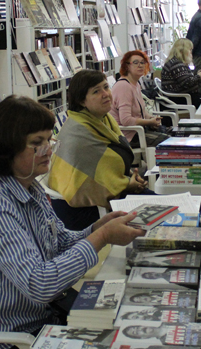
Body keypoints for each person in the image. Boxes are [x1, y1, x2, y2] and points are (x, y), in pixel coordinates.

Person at [0, 95, 145, 349]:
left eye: (48, 139)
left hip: (35, 319)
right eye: (36, 143)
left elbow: (60, 241)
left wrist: (97, 227)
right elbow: (40, 284)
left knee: (122, 325)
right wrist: (101, 237)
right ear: (7, 148)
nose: (48, 149)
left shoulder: (28, 188)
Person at [47, 70, 150, 231]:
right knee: (167, 211)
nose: (106, 94)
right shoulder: (79, 133)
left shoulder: (103, 119)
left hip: (112, 191)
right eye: (96, 91)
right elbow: (91, 184)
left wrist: (130, 178)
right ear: (82, 101)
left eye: (106, 87)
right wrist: (127, 184)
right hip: (84, 212)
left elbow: (109, 166)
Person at [110, 51, 169, 148]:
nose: (140, 65)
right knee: (169, 141)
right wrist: (149, 122)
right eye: (135, 62)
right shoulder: (123, 86)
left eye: (142, 62)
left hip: (138, 131)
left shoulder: (136, 84)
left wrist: (150, 118)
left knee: (174, 133)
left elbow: (141, 111)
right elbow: (126, 120)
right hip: (127, 137)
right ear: (127, 66)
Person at [160, 38, 201, 107]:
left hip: (180, 96)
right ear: (183, 51)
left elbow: (185, 79)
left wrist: (197, 76)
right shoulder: (176, 64)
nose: (191, 53)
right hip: (178, 98)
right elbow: (187, 83)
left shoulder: (176, 62)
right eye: (190, 50)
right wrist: (198, 76)